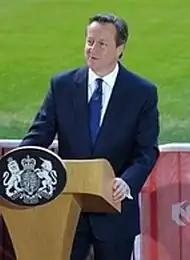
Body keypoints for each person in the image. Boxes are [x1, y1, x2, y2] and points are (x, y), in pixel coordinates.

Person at [19, 13, 159, 260]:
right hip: (67, 211)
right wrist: (17, 167)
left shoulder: (142, 93)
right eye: (89, 41)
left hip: (114, 212)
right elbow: (37, 138)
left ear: (120, 49)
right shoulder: (61, 86)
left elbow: (146, 151)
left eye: (102, 44)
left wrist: (126, 183)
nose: (92, 49)